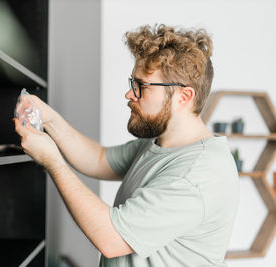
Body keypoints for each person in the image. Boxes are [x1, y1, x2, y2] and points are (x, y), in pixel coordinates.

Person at [14, 24, 239, 267]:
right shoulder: (161, 140)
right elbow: (99, 159)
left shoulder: (198, 174)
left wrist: (53, 162)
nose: (129, 95)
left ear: (183, 97)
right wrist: (49, 118)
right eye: (133, 83)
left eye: (141, 87)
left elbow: (111, 239)